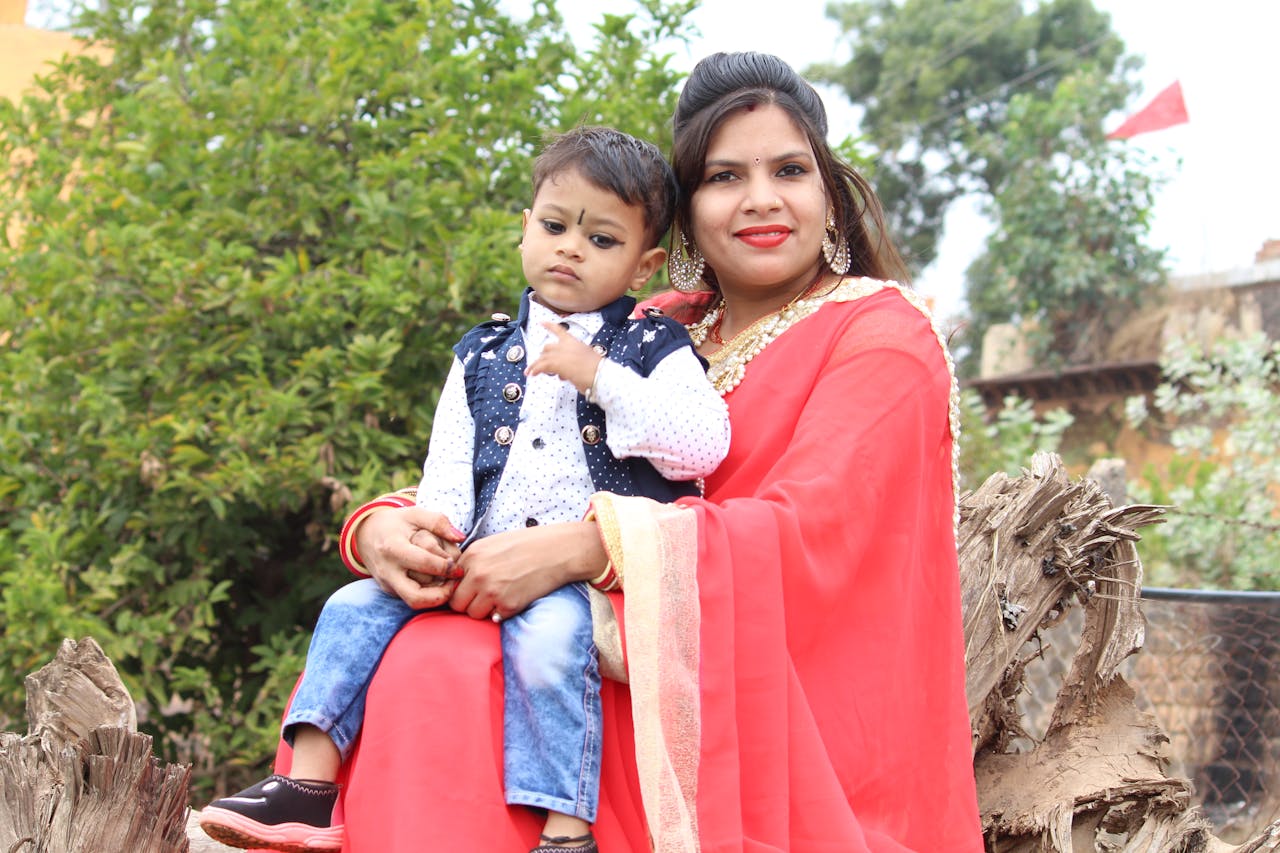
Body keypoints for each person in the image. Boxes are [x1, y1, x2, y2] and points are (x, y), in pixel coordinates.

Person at [267, 51, 984, 851]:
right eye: (724, 177)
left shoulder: (881, 336)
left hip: (750, 698)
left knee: (455, 671)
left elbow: (808, 537)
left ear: (830, 192)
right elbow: (518, 457)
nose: (761, 199)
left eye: (789, 169)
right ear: (685, 214)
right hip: (607, 639)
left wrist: (584, 548)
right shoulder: (653, 321)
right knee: (407, 650)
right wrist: (382, 529)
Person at [198, 126, 730, 853]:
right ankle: (307, 789)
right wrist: (433, 536)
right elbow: (449, 462)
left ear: (644, 265)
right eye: (555, 227)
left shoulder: (651, 347)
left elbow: (703, 445)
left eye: (601, 239)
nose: (571, 248)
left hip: (578, 580)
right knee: (351, 606)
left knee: (551, 645)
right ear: (526, 229)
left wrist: (599, 377)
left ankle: (566, 829)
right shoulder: (482, 348)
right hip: (475, 555)